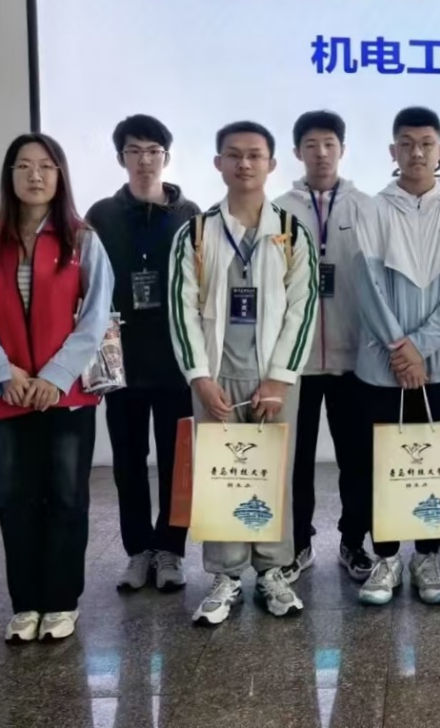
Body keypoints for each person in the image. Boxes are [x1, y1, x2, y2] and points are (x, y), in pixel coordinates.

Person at [0, 133, 113, 643]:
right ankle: (25, 603)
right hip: (5, 392)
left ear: (60, 176)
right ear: (9, 176)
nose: (35, 175)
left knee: (66, 496)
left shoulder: (82, 239)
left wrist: (54, 376)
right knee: (14, 498)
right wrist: (4, 373)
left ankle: (62, 601)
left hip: (64, 395)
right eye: (23, 166)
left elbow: (95, 317)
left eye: (46, 166)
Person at [169, 121, 319, 626]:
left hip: (273, 379)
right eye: (233, 155)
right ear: (219, 163)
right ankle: (226, 575)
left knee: (274, 473)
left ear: (272, 164)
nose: (244, 163)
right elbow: (182, 309)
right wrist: (199, 376)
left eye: (255, 155)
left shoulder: (292, 232)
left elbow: (303, 309)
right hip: (216, 377)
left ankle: (273, 571)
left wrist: (280, 377)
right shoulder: (195, 233)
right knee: (221, 477)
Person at [353, 106, 440, 607]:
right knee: (381, 463)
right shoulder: (372, 209)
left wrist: (419, 347)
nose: (417, 153)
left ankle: (429, 556)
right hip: (381, 366)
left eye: (426, 144)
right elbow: (367, 287)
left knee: (436, 465)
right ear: (393, 151)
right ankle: (386, 557)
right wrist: (400, 348)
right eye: (406, 144)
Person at [85, 114, 200, 594]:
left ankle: (171, 550)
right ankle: (137, 551)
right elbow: (87, 286)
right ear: (121, 158)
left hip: (175, 359)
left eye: (154, 150)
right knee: (128, 462)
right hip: (121, 360)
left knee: (178, 461)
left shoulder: (190, 214)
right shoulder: (101, 216)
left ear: (166, 157)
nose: (145, 160)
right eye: (135, 150)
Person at [274, 110, 375, 583]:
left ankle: (353, 542)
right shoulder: (278, 210)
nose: (321, 153)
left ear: (342, 149)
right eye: (311, 145)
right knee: (295, 462)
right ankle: (298, 543)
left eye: (329, 144)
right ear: (297, 152)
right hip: (295, 364)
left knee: (356, 459)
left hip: (354, 360)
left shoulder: (366, 207)